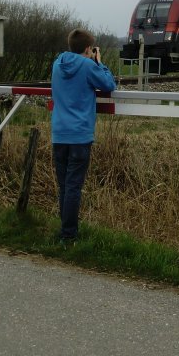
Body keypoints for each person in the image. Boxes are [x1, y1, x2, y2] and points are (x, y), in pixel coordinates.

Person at [50, 28, 116, 245]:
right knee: (73, 187)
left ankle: (64, 230)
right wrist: (99, 62)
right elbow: (109, 84)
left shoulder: (57, 64)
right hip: (79, 135)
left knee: (64, 186)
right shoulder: (88, 66)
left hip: (59, 134)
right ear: (89, 48)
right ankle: (69, 235)